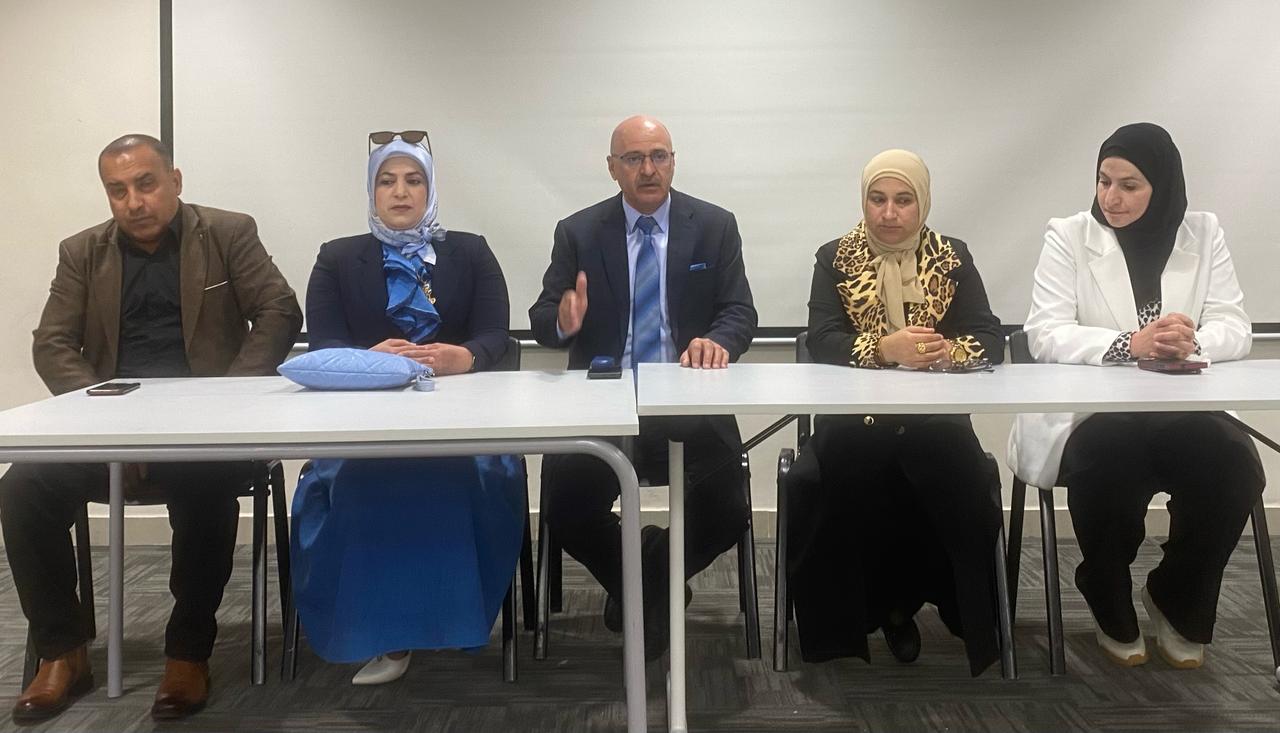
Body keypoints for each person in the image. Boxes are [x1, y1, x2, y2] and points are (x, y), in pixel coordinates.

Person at [0, 134, 302, 722]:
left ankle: (188, 651)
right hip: (112, 428)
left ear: (175, 181)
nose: (134, 201)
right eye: (118, 190)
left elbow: (279, 309)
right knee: (22, 488)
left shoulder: (228, 232)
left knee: (204, 485)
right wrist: (110, 423)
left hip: (206, 428)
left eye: (146, 184)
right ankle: (62, 651)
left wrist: (229, 398)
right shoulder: (82, 251)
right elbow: (52, 343)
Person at [1008, 123, 1263, 669]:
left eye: (1129, 185)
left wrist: (1191, 340)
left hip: (1180, 408)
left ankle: (1176, 596)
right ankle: (1106, 592)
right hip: (1096, 413)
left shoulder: (1203, 232)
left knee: (1234, 467)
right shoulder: (1069, 235)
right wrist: (1130, 343)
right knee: (1110, 464)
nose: (1111, 197)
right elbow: (1044, 333)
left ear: (1162, 186)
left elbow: (1235, 325)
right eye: (1104, 181)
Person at [292, 133, 525, 685]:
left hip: (463, 425)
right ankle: (385, 634)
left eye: (413, 180)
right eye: (387, 181)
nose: (400, 192)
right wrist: (366, 359)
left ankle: (454, 622)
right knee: (364, 481)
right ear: (371, 192)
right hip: (364, 426)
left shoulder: (471, 251)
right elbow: (323, 344)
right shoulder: (336, 258)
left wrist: (463, 356)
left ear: (430, 189)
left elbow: (499, 337)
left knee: (465, 477)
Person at [529, 115, 757, 660]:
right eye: (633, 159)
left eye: (659, 156)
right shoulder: (579, 232)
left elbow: (739, 312)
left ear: (674, 162)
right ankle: (652, 587)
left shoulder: (714, 225)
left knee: (727, 507)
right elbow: (543, 318)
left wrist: (717, 340)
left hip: (689, 399)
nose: (648, 169)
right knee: (564, 503)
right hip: (605, 402)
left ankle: (645, 581)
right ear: (613, 169)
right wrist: (563, 319)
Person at [786, 149, 1005, 676]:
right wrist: (886, 349)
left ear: (922, 203)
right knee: (843, 481)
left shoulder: (951, 256)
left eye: (903, 200)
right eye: (877, 199)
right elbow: (822, 338)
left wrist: (945, 352)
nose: (889, 213)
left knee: (957, 481)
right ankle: (864, 617)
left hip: (936, 423)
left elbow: (990, 337)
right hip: (852, 423)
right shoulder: (835, 257)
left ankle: (932, 613)